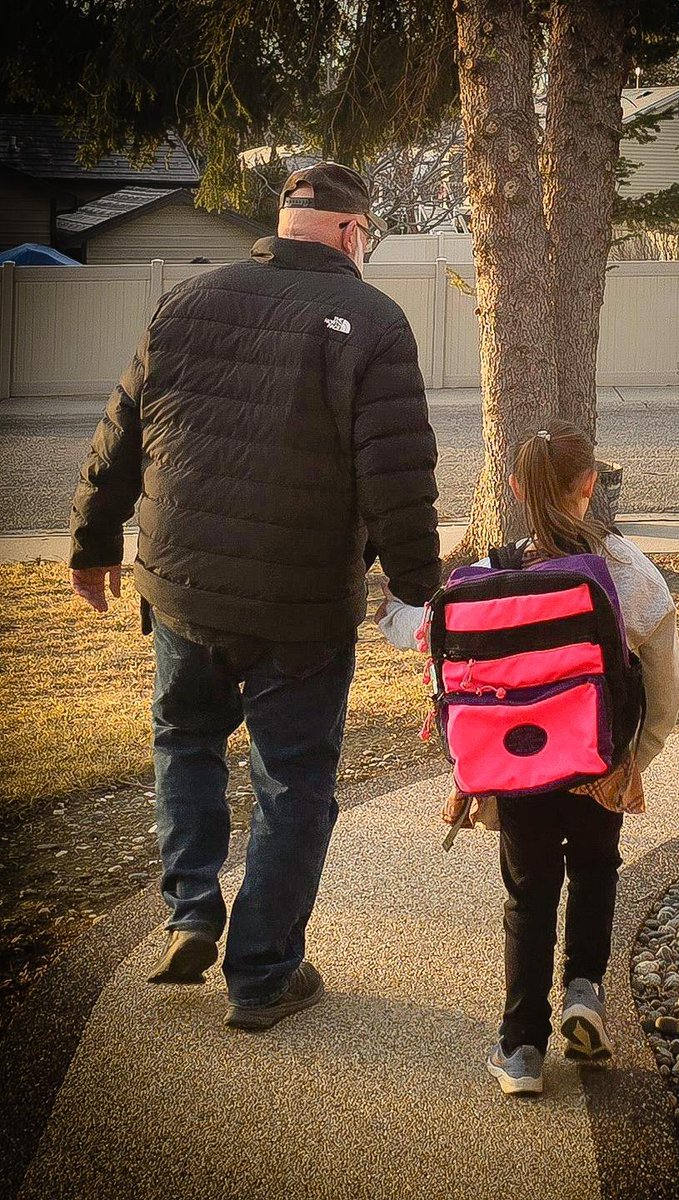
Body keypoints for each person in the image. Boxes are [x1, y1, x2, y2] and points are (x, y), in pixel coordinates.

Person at [69, 161, 441, 1030]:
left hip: (184, 586)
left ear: (282, 224)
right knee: (294, 781)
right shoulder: (374, 321)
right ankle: (263, 974)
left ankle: (191, 911)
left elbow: (120, 430)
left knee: (186, 740)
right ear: (352, 233)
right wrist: (417, 590)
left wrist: (91, 543)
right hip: (301, 606)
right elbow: (397, 473)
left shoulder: (187, 301)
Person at [377, 420, 679, 1095]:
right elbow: (665, 691)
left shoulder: (491, 575)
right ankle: (584, 992)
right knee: (596, 868)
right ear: (590, 483)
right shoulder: (629, 573)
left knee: (528, 894)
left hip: (517, 771)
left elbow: (436, 648)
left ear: (515, 488)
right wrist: (632, 760)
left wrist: (387, 612)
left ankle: (520, 1048)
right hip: (597, 761)